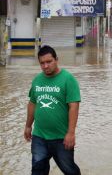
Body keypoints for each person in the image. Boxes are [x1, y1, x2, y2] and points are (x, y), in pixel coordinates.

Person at [24, 45, 81, 175]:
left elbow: (74, 106)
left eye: (49, 62)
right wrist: (28, 126)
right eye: (42, 63)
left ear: (56, 59)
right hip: (39, 136)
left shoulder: (68, 79)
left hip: (61, 138)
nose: (45, 66)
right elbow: (32, 103)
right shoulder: (37, 80)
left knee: (69, 170)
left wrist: (71, 133)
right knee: (38, 170)